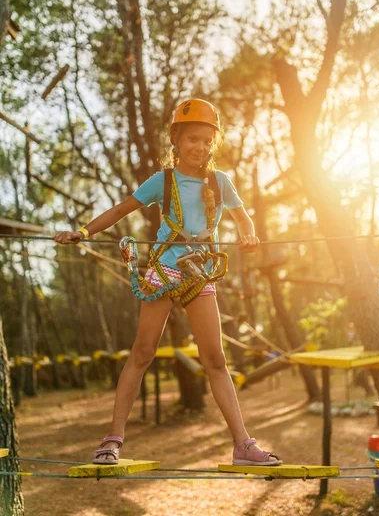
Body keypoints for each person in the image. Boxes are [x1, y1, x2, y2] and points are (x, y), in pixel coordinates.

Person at [54, 98, 282, 468]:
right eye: (193, 138)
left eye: (208, 141)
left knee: (215, 360)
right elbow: (119, 210)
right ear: (176, 139)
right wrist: (83, 231)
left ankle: (242, 444)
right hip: (164, 269)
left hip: (198, 272)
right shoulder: (163, 181)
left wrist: (250, 235)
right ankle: (112, 440)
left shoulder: (220, 182)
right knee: (142, 352)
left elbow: (243, 219)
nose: (200, 147)